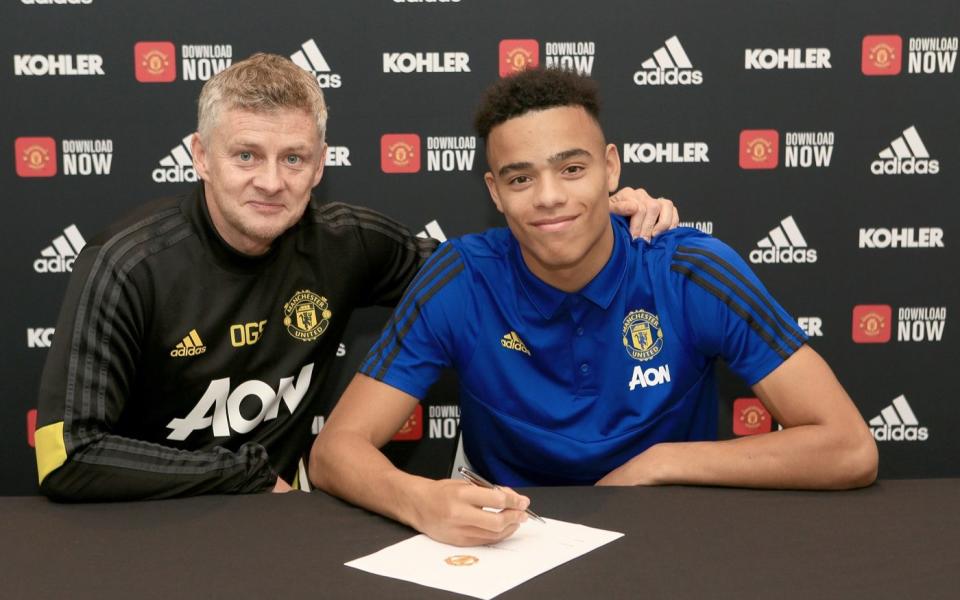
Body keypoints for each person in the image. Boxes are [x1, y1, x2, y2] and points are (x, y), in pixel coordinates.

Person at [34, 54, 677, 501]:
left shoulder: (348, 242)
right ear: (201, 157)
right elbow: (66, 456)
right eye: (245, 156)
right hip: (145, 525)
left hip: (286, 521)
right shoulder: (126, 264)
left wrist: (592, 220)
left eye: (294, 158)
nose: (270, 181)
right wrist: (245, 474)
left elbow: (492, 272)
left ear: (320, 166)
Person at [309, 68, 879, 547]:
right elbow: (335, 452)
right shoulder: (461, 278)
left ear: (611, 167)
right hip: (510, 540)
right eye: (521, 177)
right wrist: (421, 499)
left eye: (572, 168)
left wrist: (661, 464)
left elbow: (849, 448)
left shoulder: (690, 271)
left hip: (671, 527)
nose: (550, 196)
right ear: (494, 192)